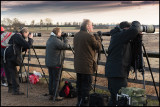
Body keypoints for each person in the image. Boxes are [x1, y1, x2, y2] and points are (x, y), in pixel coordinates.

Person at [105, 21, 142, 106]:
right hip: (117, 73)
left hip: (115, 72)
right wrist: (136, 23)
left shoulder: (118, 36)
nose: (128, 33)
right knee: (120, 99)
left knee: (115, 98)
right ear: (124, 29)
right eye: (128, 30)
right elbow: (134, 30)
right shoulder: (120, 36)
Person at [74, 19, 101, 106]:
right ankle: (84, 104)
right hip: (86, 66)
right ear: (87, 26)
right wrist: (98, 38)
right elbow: (98, 46)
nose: (92, 27)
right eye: (91, 25)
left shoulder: (76, 35)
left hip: (78, 65)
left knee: (79, 86)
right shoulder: (89, 36)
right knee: (86, 87)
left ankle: (79, 102)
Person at [4, 27, 34, 95]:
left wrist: (23, 49)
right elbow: (28, 45)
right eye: (27, 34)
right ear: (24, 33)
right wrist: (31, 39)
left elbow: (16, 46)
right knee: (15, 74)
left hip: (8, 56)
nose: (27, 35)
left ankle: (11, 89)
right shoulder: (18, 36)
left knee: (11, 73)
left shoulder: (15, 35)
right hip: (12, 57)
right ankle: (16, 91)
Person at [45, 27, 70, 101]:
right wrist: (65, 38)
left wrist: (61, 38)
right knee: (56, 80)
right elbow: (65, 46)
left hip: (49, 63)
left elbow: (59, 45)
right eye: (60, 32)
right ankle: (55, 96)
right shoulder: (55, 40)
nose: (61, 33)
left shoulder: (50, 39)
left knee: (51, 79)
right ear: (57, 33)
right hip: (55, 63)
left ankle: (51, 94)